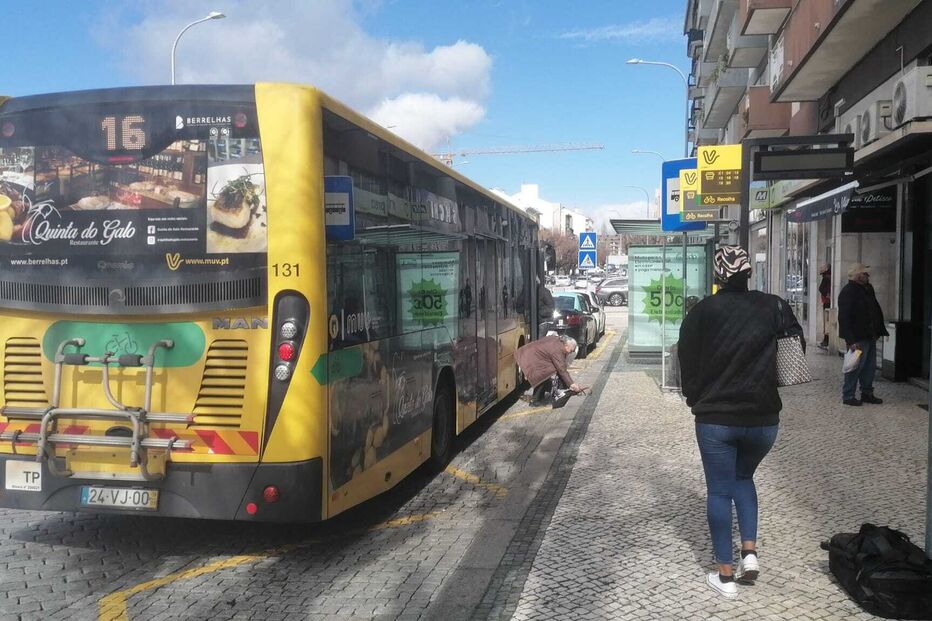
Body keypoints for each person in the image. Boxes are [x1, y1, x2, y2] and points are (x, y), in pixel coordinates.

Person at [678, 246, 803, 599]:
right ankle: (750, 553)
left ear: (717, 275)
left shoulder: (701, 312)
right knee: (744, 478)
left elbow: (685, 364)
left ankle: (725, 576)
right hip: (764, 420)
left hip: (716, 419)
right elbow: (795, 348)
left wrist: (696, 401)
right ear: (748, 273)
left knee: (719, 490)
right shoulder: (773, 306)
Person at [837, 262, 888, 406]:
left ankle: (867, 393)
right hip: (857, 337)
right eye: (865, 273)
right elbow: (844, 318)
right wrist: (850, 340)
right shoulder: (848, 291)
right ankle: (848, 395)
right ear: (858, 275)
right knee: (854, 367)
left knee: (869, 367)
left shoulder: (867, 289)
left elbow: (873, 310)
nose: (868, 275)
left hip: (870, 335)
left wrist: (878, 330)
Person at [515, 334, 581, 406]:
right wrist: (572, 384)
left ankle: (541, 396)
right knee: (542, 375)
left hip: (531, 354)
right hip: (529, 357)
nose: (571, 352)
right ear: (566, 346)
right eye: (571, 350)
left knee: (547, 372)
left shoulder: (559, 341)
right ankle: (535, 400)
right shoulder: (557, 350)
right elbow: (561, 369)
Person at [818, 265, 831, 348]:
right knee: (827, 322)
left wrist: (826, 294)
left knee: (826, 322)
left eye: (823, 267)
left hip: (827, 302)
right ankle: (826, 340)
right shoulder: (828, 277)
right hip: (828, 301)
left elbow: (821, 288)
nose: (821, 268)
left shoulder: (826, 277)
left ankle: (826, 341)